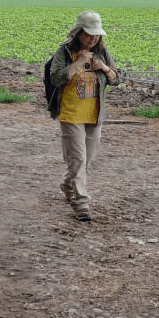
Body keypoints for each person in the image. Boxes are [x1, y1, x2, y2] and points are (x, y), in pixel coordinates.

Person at [47, 11, 120, 221]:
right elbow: (55, 78)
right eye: (88, 34)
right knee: (78, 161)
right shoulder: (65, 52)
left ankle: (67, 185)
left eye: (96, 35)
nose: (92, 39)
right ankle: (81, 205)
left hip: (94, 116)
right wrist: (77, 64)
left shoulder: (102, 53)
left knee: (85, 161)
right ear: (78, 33)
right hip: (70, 115)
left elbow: (117, 78)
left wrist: (105, 68)